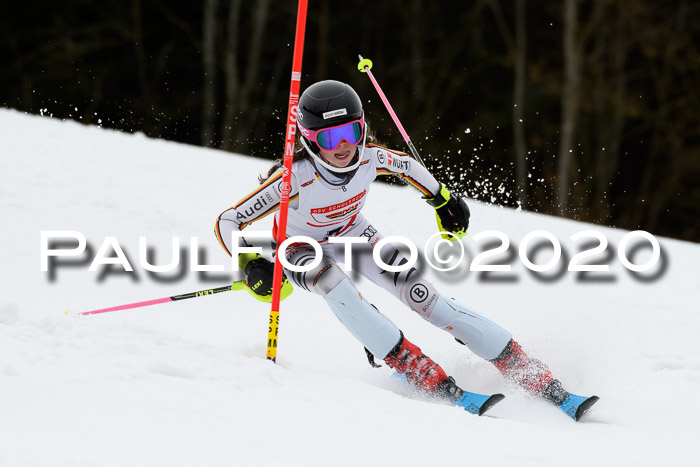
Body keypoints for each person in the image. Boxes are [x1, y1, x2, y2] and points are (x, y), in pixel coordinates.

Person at [215, 80, 595, 418]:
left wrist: (443, 200)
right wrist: (250, 262)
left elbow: (408, 167)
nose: (344, 146)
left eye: (350, 132)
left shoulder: (370, 156)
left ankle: (524, 366)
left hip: (353, 233)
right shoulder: (293, 178)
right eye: (330, 139)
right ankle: (410, 363)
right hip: (300, 248)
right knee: (336, 285)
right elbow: (227, 221)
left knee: (427, 300)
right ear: (310, 140)